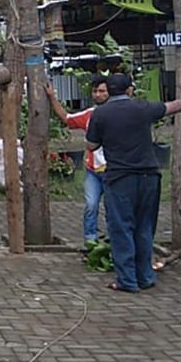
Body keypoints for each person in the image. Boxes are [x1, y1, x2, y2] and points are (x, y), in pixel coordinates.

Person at [85, 73, 181, 293]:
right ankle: (146, 276)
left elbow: (91, 145)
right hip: (149, 176)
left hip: (120, 178)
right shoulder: (142, 108)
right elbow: (173, 106)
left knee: (122, 228)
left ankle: (127, 281)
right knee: (144, 227)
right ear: (129, 90)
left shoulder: (101, 114)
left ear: (108, 91)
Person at [45, 76, 109, 245]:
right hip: (93, 170)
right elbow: (67, 118)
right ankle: (90, 239)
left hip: (114, 170)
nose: (98, 94)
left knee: (113, 208)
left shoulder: (121, 113)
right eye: (95, 91)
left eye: (102, 91)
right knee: (91, 205)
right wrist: (52, 97)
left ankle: (114, 239)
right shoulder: (89, 115)